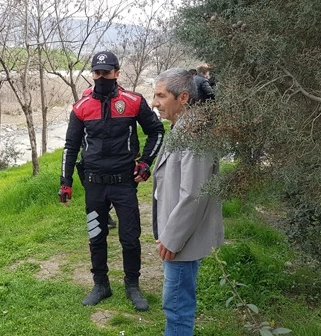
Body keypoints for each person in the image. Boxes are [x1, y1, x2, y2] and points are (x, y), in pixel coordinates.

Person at [60, 51, 165, 311]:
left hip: (123, 183)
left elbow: (157, 131)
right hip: (94, 183)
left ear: (117, 73)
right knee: (96, 235)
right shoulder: (81, 107)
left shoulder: (133, 101)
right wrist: (66, 182)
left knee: (130, 238)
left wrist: (145, 163)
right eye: (97, 73)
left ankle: (132, 285)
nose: (102, 77)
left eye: (107, 72)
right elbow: (70, 146)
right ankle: (101, 284)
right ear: (92, 74)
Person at [150, 68, 224, 335]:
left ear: (183, 98)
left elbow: (194, 193)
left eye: (161, 96)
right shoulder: (183, 127)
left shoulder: (194, 134)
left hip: (181, 240)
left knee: (177, 306)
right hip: (177, 236)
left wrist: (172, 237)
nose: (155, 102)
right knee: (176, 304)